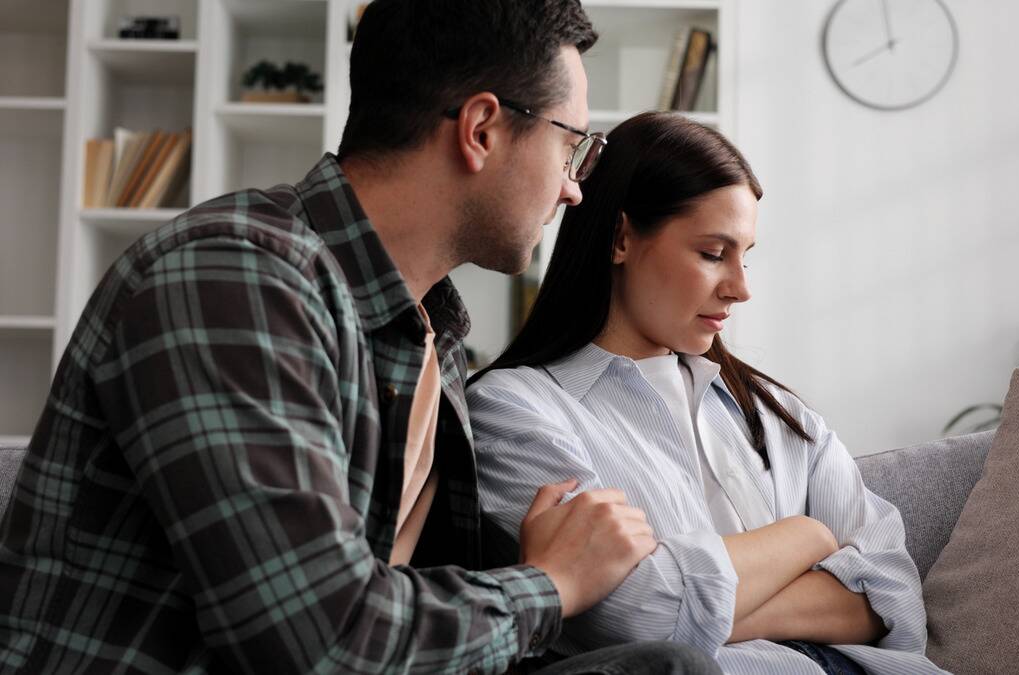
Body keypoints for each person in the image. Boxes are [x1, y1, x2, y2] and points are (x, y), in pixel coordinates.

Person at [0, 2, 721, 673]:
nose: (574, 189)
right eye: (574, 146)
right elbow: (317, 640)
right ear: (481, 130)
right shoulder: (232, 276)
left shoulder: (426, 332)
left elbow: (421, 589)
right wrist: (549, 584)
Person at [467, 112, 948, 675]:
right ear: (621, 238)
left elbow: (895, 599)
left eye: (746, 255)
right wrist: (807, 536)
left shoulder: (777, 413)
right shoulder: (516, 409)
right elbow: (633, 620)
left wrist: (713, 613)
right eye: (713, 253)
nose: (741, 288)